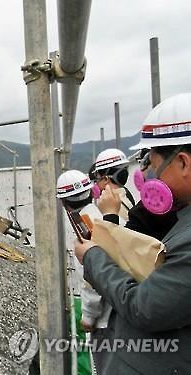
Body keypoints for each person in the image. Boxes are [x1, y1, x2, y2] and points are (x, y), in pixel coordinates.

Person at [75, 93, 191, 374]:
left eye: (150, 162)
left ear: (183, 163)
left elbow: (145, 306)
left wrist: (95, 249)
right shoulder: (175, 215)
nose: (146, 174)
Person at [56, 170, 105, 374]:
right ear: (91, 192)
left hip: (104, 317)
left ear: (64, 204)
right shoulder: (97, 213)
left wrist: (88, 315)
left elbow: (92, 276)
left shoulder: (84, 226)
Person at [91, 148, 135, 221]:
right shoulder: (126, 195)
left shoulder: (108, 206)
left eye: (97, 175)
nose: (96, 181)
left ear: (105, 179)